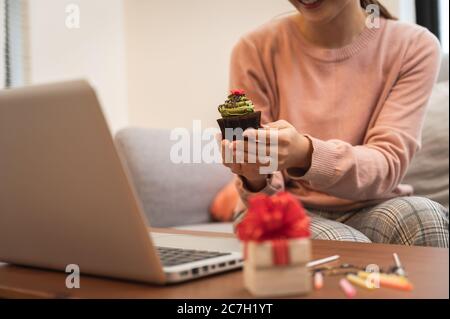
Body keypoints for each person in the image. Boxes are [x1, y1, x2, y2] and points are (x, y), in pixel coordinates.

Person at [219, 0, 449, 247]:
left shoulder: (414, 46)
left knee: (425, 217)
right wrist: (254, 175)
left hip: (372, 204)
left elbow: (386, 164)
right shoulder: (254, 49)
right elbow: (264, 196)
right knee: (345, 244)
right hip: (280, 206)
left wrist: (306, 154)